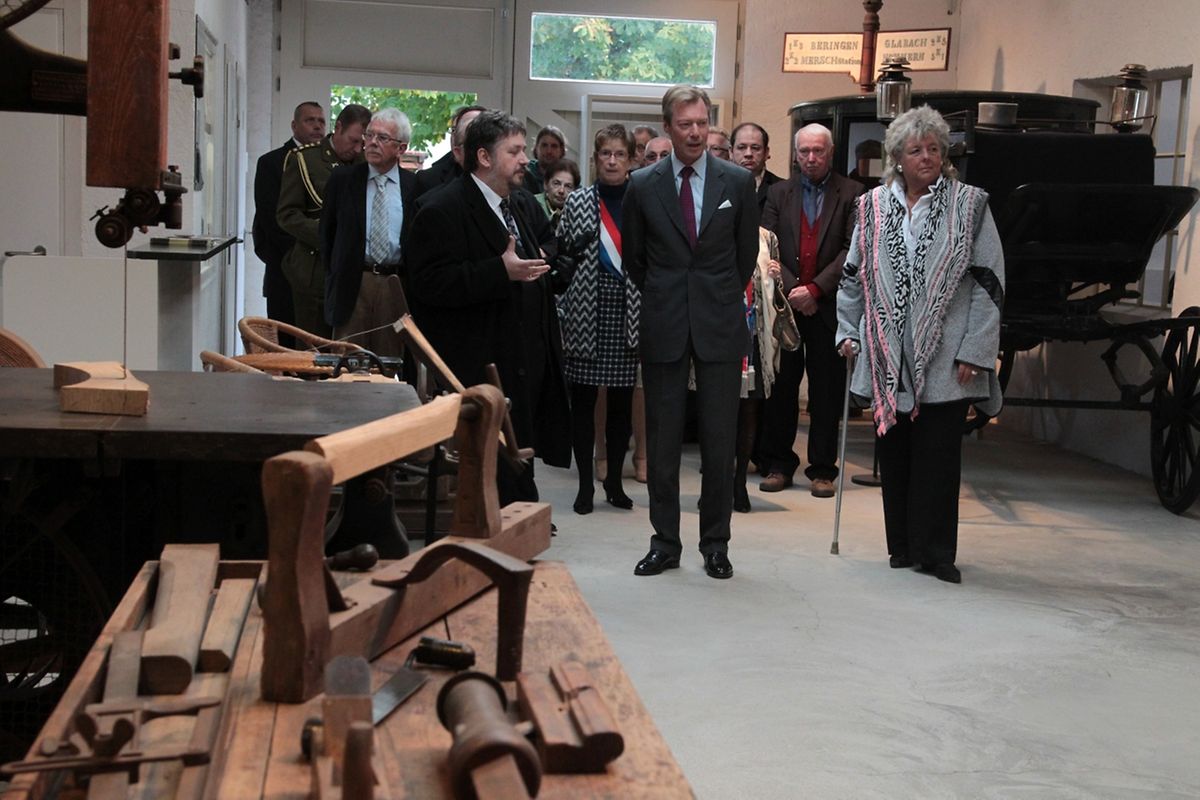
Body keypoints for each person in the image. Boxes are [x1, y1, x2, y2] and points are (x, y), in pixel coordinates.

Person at [836, 105, 1004, 585]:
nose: (926, 157)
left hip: (949, 350)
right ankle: (902, 547)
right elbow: (852, 278)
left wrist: (976, 348)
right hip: (889, 350)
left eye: (934, 148)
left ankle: (938, 552)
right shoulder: (871, 207)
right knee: (896, 452)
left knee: (938, 454)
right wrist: (848, 332)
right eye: (916, 150)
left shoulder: (969, 204)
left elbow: (990, 280)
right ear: (897, 157)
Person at [623, 85, 759, 580]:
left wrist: (715, 295)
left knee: (719, 442)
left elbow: (745, 258)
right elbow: (635, 261)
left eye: (702, 122)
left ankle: (715, 544)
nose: (696, 132)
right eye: (685, 124)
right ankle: (664, 542)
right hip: (663, 322)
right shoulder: (642, 185)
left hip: (720, 323)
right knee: (661, 442)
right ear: (667, 128)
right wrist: (669, 295)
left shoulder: (738, 183)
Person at [407, 110, 572, 503]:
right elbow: (428, 286)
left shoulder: (515, 204)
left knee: (518, 455)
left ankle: (519, 516)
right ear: (484, 157)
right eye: (514, 151)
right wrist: (498, 271)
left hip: (523, 356)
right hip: (480, 360)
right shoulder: (440, 209)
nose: (525, 160)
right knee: (488, 468)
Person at [759, 123, 865, 499]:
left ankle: (822, 469)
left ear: (831, 152)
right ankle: (778, 464)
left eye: (818, 151)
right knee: (782, 388)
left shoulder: (853, 193)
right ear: (795, 153)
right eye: (804, 151)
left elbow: (853, 249)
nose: (811, 158)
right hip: (786, 306)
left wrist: (817, 289)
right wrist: (794, 289)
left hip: (830, 307)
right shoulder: (777, 193)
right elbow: (767, 246)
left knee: (827, 391)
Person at [557, 125, 641, 515]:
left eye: (619, 154)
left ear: (631, 159)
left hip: (630, 312)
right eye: (605, 154)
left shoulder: (642, 200)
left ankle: (614, 484)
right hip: (586, 312)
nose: (611, 161)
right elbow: (563, 256)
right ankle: (585, 485)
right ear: (595, 159)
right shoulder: (577, 201)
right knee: (585, 403)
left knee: (622, 406)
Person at [320, 108, 417, 357]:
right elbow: (327, 235)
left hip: (394, 285)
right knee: (347, 361)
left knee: (390, 361)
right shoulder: (343, 180)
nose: (372, 142)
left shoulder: (415, 187)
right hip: (353, 282)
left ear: (401, 149)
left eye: (383, 138)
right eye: (370, 135)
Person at [276, 103, 371, 338]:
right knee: (313, 349)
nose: (358, 148)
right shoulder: (305, 160)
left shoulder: (366, 165)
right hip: (315, 269)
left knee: (350, 348)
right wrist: (329, 236)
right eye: (353, 140)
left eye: (363, 143)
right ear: (338, 128)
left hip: (354, 272)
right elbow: (287, 215)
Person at [253, 101, 326, 343]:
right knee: (286, 339)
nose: (317, 126)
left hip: (321, 270)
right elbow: (271, 217)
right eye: (310, 120)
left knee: (315, 342)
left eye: (321, 121)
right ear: (294, 126)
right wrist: (298, 254)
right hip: (286, 263)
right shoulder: (272, 162)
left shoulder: (330, 163)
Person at [413, 104, 486, 200]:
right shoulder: (427, 179)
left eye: (473, 130)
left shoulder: (503, 179)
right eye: (454, 130)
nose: (456, 136)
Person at [731, 122, 782, 212]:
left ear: (766, 152)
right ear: (731, 152)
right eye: (741, 147)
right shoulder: (718, 187)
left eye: (755, 148)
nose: (748, 154)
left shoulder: (782, 189)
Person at [533, 158, 579, 227]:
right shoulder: (532, 205)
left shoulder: (577, 213)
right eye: (556, 183)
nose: (561, 191)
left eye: (568, 186)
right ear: (545, 184)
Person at [524, 125, 566, 194]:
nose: (549, 151)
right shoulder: (524, 173)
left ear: (561, 150)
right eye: (544, 145)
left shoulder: (568, 176)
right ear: (536, 148)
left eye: (554, 146)